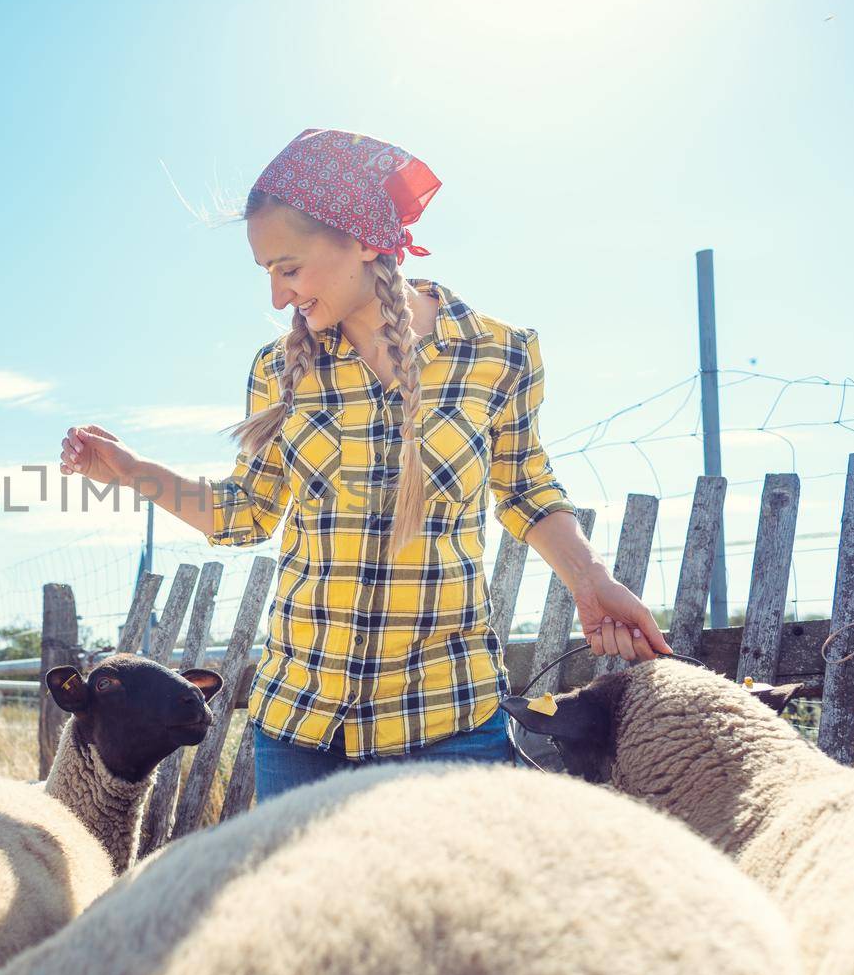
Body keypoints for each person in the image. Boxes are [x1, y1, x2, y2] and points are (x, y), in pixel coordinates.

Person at [58, 128, 673, 802]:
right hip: (299, 730)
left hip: (449, 726)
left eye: (287, 268)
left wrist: (590, 579)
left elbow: (526, 489)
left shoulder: (500, 354)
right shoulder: (278, 371)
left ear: (365, 238)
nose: (276, 297)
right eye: (266, 272)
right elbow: (244, 513)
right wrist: (127, 469)